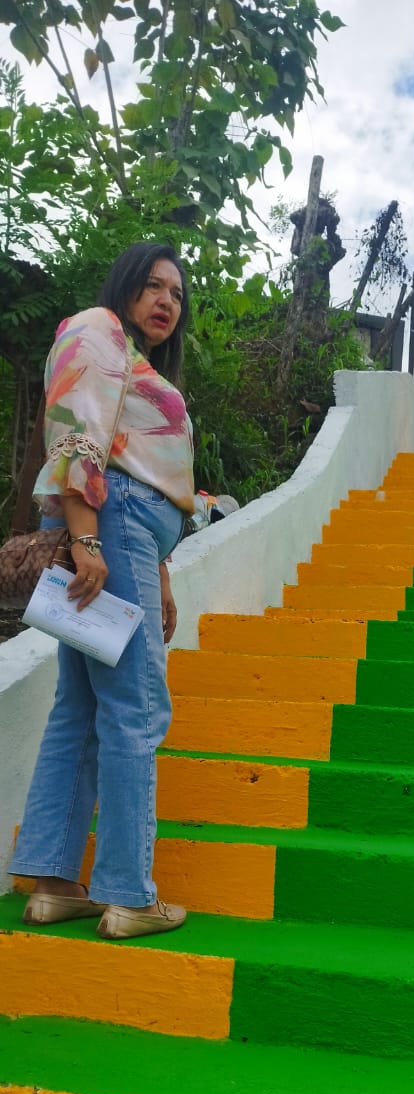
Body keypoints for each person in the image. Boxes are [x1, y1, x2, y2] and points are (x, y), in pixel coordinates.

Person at [10, 242, 195, 939]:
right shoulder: (97, 328)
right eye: (153, 285)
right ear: (124, 285)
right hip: (109, 528)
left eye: (176, 294)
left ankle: (55, 884)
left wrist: (161, 570)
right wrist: (87, 540)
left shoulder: (131, 357)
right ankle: (128, 894)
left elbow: (143, 467)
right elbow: (77, 435)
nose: (166, 301)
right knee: (136, 706)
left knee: (83, 705)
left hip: (126, 534)